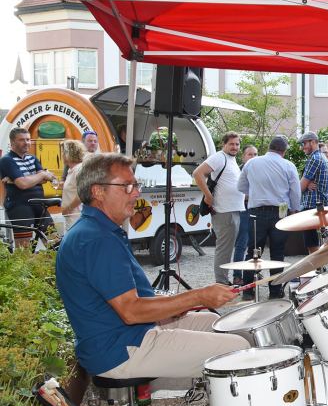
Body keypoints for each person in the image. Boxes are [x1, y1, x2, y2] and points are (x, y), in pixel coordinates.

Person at [55, 153, 247, 380]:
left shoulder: (97, 229)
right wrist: (198, 297)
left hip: (127, 333)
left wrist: (175, 304)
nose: (136, 192)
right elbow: (131, 311)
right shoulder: (96, 239)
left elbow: (125, 299)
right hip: (119, 349)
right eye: (127, 186)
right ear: (98, 191)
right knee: (238, 347)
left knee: (216, 322)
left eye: (136, 185)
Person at [237, 136, 301, 299]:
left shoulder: (252, 163)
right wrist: (294, 210)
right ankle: (275, 291)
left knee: (253, 251)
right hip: (280, 212)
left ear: (269, 147)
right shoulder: (288, 165)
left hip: (256, 212)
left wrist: (256, 193)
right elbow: (295, 191)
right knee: (277, 252)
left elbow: (241, 186)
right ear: (284, 151)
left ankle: (247, 290)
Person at [193, 132, 245, 286]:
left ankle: (223, 281)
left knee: (227, 249)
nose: (235, 147)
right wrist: (208, 196)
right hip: (224, 211)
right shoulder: (219, 157)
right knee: (224, 249)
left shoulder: (231, 160)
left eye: (237, 144)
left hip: (232, 210)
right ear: (224, 144)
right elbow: (197, 173)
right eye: (231, 144)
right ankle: (221, 283)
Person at [1, 127, 56, 248]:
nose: (26, 143)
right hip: (19, 206)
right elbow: (23, 184)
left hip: (40, 205)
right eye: (22, 140)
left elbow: (46, 179)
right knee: (24, 248)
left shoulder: (33, 158)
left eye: (28, 139)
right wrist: (40, 174)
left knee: (54, 243)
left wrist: (20, 180)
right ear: (12, 143)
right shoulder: (6, 160)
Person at [297, 131, 328, 253]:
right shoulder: (322, 157)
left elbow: (300, 187)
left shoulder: (314, 158)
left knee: (312, 244)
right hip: (320, 206)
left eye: (304, 144)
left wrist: (305, 186)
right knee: (324, 241)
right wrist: (307, 185)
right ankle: (321, 269)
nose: (302, 147)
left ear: (313, 142)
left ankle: (317, 270)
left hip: (313, 206)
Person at [232, 144, 258, 283]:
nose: (253, 157)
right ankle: (237, 275)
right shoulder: (239, 171)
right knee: (242, 243)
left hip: (257, 209)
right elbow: (239, 193)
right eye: (250, 154)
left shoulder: (260, 170)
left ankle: (253, 273)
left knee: (255, 244)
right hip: (244, 209)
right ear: (243, 157)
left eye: (255, 154)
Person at [60, 140, 87, 230]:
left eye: (63, 152)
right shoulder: (71, 170)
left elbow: (81, 194)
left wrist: (68, 209)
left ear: (68, 154)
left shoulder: (78, 170)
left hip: (77, 216)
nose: (61, 155)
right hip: (72, 216)